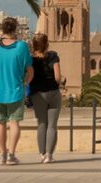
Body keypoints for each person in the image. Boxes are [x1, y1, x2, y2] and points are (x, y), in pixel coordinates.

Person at [0, 16, 33, 166]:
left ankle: (3, 154)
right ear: (16, 28)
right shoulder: (22, 47)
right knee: (15, 122)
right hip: (15, 90)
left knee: (0, 123)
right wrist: (25, 82)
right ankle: (12, 154)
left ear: (2, 29)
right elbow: (30, 70)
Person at [28, 32, 64, 163]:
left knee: (41, 124)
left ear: (33, 45)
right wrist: (59, 82)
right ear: (47, 44)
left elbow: (29, 77)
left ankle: (42, 154)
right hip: (53, 93)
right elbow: (58, 77)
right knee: (52, 125)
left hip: (38, 94)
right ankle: (49, 155)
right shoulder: (53, 56)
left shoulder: (31, 59)